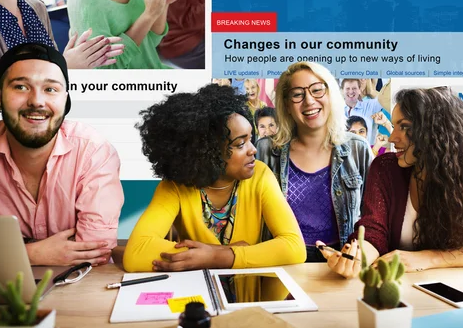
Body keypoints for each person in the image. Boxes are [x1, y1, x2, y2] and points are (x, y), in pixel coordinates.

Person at [0, 44, 125, 266]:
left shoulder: (94, 151)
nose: (37, 101)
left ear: (65, 100)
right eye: (20, 87)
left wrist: (2, 252)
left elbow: (94, 252)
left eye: (50, 89)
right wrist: (33, 254)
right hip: (1, 290)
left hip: (79, 285)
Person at [321, 87, 463, 277]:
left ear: (436, 131)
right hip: (396, 286)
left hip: (459, 286)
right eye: (394, 126)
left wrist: (428, 258)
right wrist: (357, 257)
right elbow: (373, 232)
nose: (392, 137)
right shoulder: (385, 168)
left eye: (404, 127)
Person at [123, 84, 306, 272]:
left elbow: (294, 248)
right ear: (207, 151)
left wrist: (217, 256)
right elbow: (136, 253)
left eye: (251, 138)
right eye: (240, 144)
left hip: (250, 298)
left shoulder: (260, 175)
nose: (253, 149)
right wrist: (225, 252)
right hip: (197, 295)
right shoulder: (175, 188)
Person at [256, 62, 372, 262]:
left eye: (317, 90)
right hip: (282, 261)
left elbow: (372, 219)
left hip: (341, 263)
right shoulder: (266, 150)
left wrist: (360, 256)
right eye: (297, 94)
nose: (309, 101)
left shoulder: (358, 149)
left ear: (331, 95)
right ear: (287, 105)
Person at [342, 78, 385, 145]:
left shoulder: (370, 105)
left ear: (359, 90)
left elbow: (386, 98)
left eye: (354, 88)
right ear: (342, 90)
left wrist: (371, 91)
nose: (351, 92)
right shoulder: (336, 108)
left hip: (367, 152)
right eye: (347, 88)